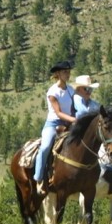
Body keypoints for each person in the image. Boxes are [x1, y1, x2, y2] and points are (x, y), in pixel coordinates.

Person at [33, 60, 78, 195]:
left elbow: (74, 108)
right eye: (65, 72)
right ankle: (38, 178)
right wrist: (74, 119)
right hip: (53, 124)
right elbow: (58, 112)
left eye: (69, 72)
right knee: (46, 147)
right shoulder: (52, 92)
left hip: (68, 124)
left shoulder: (71, 89)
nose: (68, 74)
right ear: (58, 74)